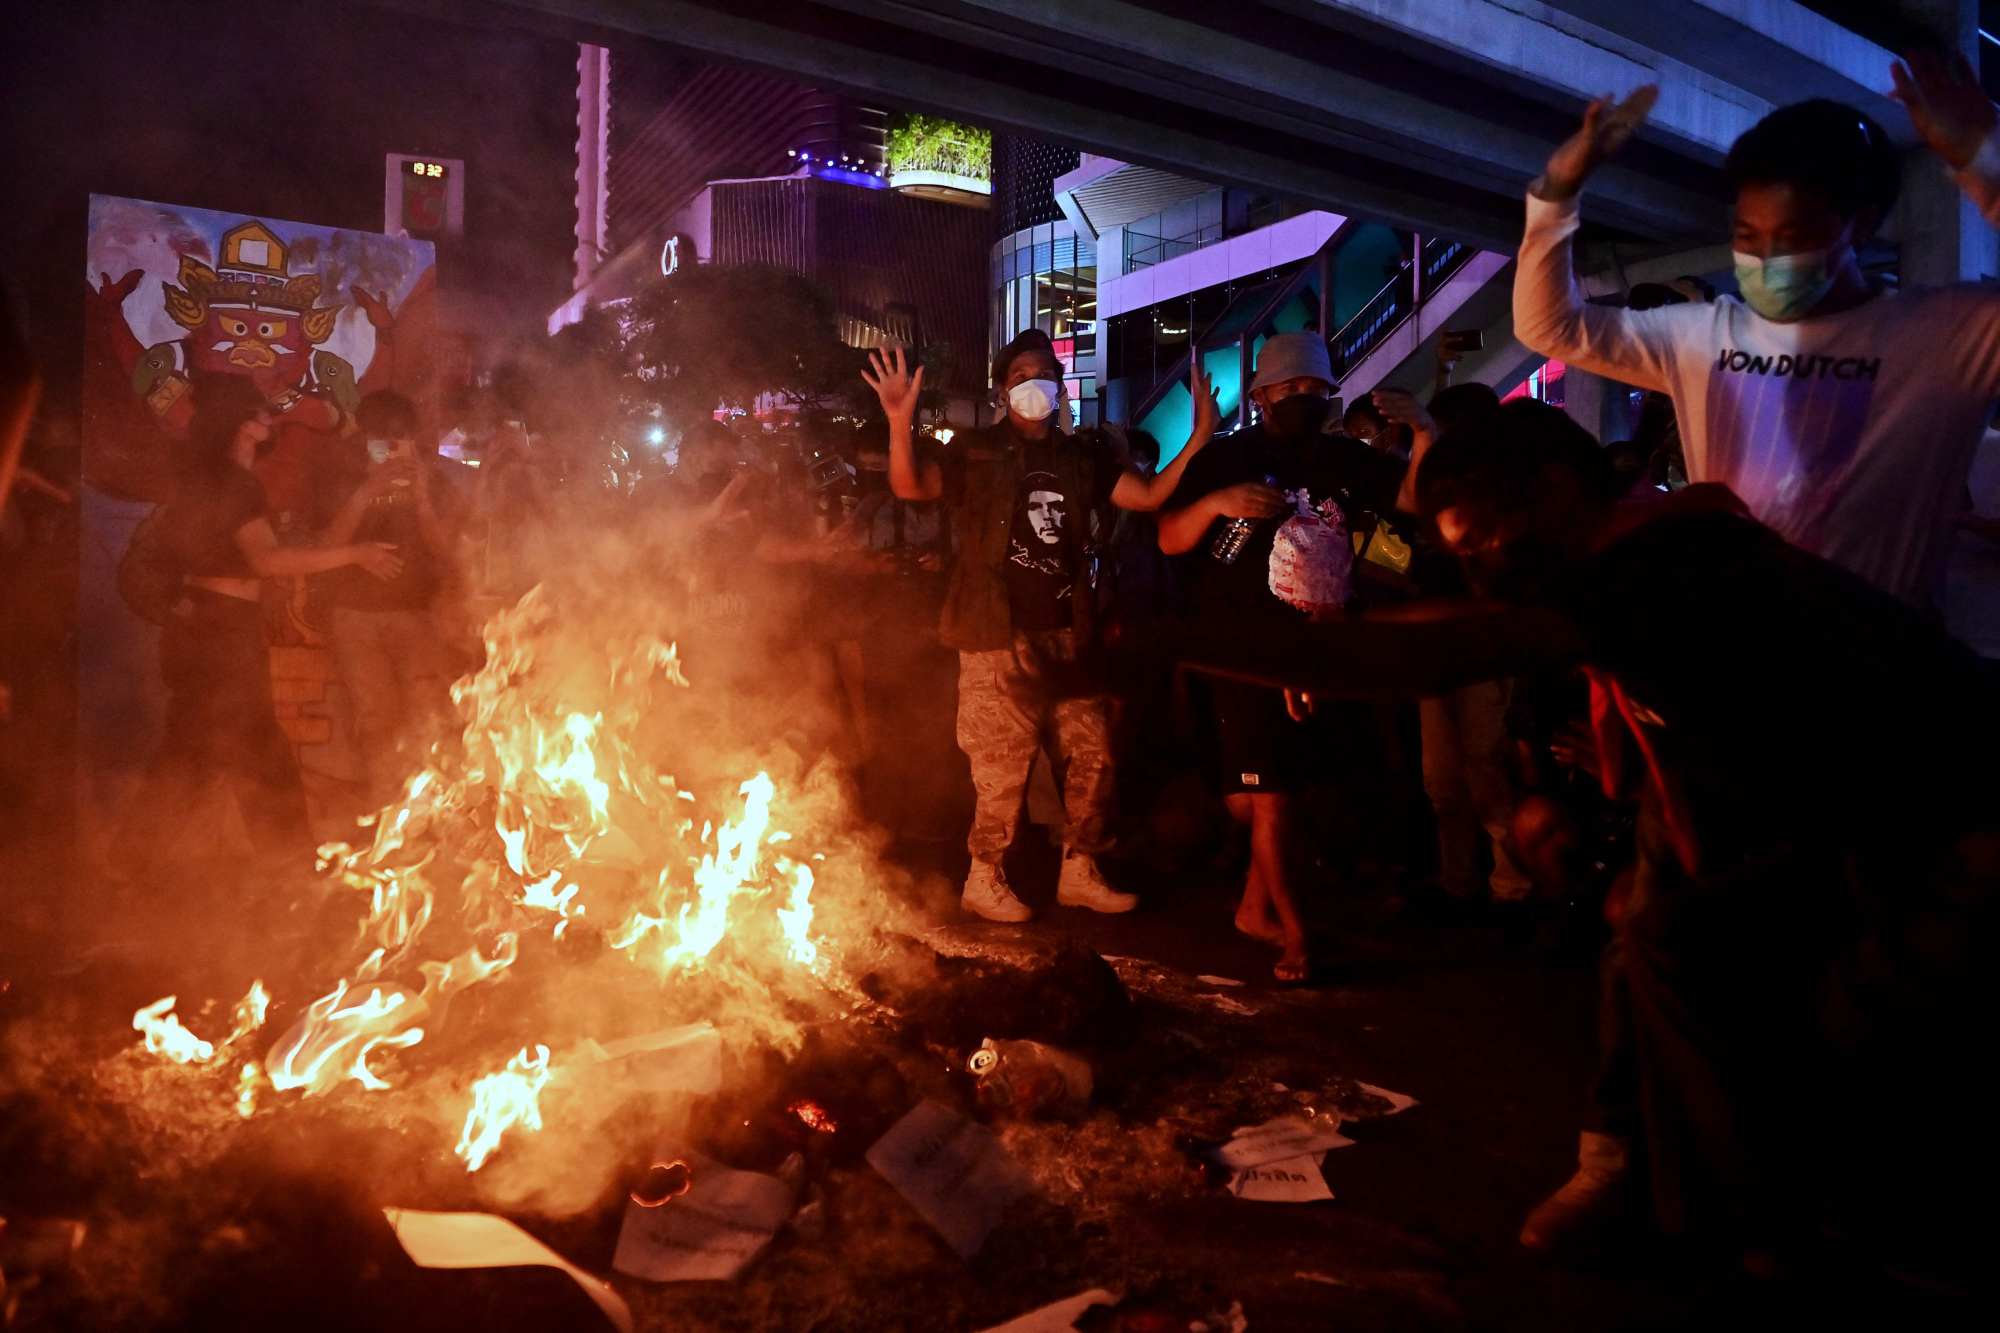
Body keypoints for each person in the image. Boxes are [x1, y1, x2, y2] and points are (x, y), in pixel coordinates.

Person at [1416, 400, 2000, 1270]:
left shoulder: (1666, 565)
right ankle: (1687, 1196)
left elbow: (1445, 650)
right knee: (1659, 947)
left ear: (1555, 493)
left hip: (1941, 819)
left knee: (1826, 1012)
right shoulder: (1649, 550)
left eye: (1485, 546)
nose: (1481, 578)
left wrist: (1188, 639)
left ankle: (1789, 1231)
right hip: (1790, 801)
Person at [1514, 54, 2000, 607]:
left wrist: (1985, 158)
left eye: (1792, 236)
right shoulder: (1702, 336)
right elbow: (1548, 326)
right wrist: (1556, 193)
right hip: (1725, 663)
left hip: (1880, 673)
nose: (1765, 260)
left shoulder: (1951, 336)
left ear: (1860, 226)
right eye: (1747, 234)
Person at [864, 330, 1220, 922]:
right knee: (1000, 765)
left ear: (1059, 387)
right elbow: (909, 485)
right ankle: (984, 876)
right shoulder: (975, 452)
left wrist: (1199, 438)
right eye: (1020, 375)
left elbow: (1151, 493)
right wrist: (899, 422)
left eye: (1044, 373)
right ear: (1003, 391)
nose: (1035, 384)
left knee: (1094, 754)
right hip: (993, 633)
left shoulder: (1082, 458)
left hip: (1067, 635)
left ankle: (1080, 869)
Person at [1157, 332, 1407, 981]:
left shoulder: (1348, 461)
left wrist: (1424, 430)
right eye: (1288, 388)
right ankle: (1298, 936)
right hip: (1248, 653)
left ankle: (1252, 910)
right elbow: (1168, 538)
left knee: (1290, 792)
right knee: (1268, 798)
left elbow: (1405, 516)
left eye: (1313, 389)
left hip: (1324, 646)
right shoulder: (1229, 458)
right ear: (1263, 395)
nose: (1302, 398)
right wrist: (1216, 503)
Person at [136, 376, 401, 864]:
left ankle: (135, 863)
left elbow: (276, 558)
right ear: (239, 424)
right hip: (221, 632)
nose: (268, 420)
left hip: (208, 627)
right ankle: (291, 867)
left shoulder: (213, 480)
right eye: (258, 413)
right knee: (249, 750)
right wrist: (357, 553)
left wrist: (361, 504)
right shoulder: (234, 485)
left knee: (196, 749)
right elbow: (268, 562)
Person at [318, 390, 461, 807]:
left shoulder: (432, 477)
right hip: (354, 615)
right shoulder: (341, 473)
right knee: (375, 719)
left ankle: (430, 815)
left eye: (399, 437)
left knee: (427, 717)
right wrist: (366, 490)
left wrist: (420, 498)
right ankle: (388, 813)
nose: (391, 446)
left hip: (416, 612)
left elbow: (448, 551)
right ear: (363, 436)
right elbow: (328, 543)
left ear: (413, 436)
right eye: (381, 438)